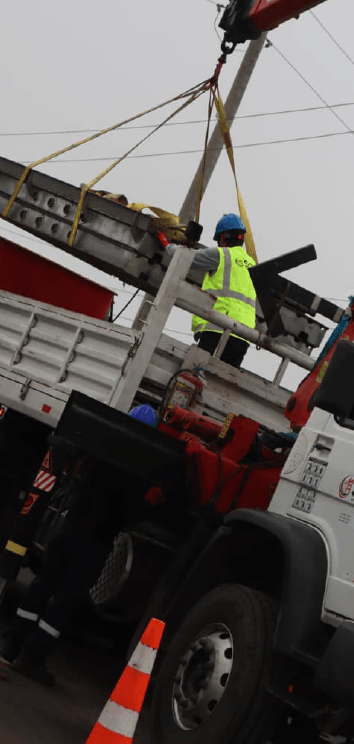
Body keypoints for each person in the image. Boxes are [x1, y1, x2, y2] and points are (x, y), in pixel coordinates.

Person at [0, 404, 158, 686]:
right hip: (94, 544)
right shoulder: (141, 472)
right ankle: (32, 659)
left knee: (42, 585)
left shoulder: (102, 447)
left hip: (68, 531)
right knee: (64, 600)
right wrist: (151, 504)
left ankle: (10, 646)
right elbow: (129, 515)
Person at [167, 214, 256, 368]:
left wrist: (167, 245)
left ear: (224, 236)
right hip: (244, 336)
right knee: (220, 378)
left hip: (218, 327)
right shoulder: (252, 264)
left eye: (218, 239)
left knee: (197, 371)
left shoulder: (221, 255)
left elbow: (185, 257)